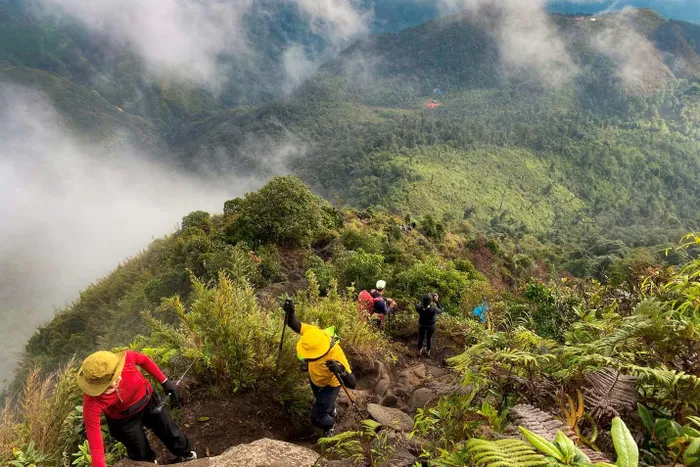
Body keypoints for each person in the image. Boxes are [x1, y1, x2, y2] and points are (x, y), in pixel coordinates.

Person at [77, 350, 196, 467]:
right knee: (139, 450)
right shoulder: (92, 402)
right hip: (122, 419)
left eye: (117, 374)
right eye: (109, 386)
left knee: (170, 432)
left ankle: (186, 455)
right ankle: (149, 464)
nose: (117, 380)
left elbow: (144, 360)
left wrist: (164, 381)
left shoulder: (126, 359)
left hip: (148, 400)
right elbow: (95, 444)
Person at [282, 299, 356, 436]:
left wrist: (341, 370)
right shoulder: (313, 333)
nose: (307, 359)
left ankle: (330, 424)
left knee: (317, 418)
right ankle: (330, 409)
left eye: (310, 356)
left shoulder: (336, 353)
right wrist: (291, 312)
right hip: (315, 379)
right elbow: (294, 324)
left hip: (330, 385)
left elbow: (352, 383)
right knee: (321, 402)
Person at [416, 293, 443, 357]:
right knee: (429, 338)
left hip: (422, 324)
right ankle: (428, 352)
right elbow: (441, 310)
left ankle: (420, 351)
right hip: (431, 325)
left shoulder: (418, 307)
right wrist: (436, 301)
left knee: (421, 338)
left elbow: (421, 304)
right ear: (431, 301)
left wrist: (426, 298)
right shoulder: (433, 309)